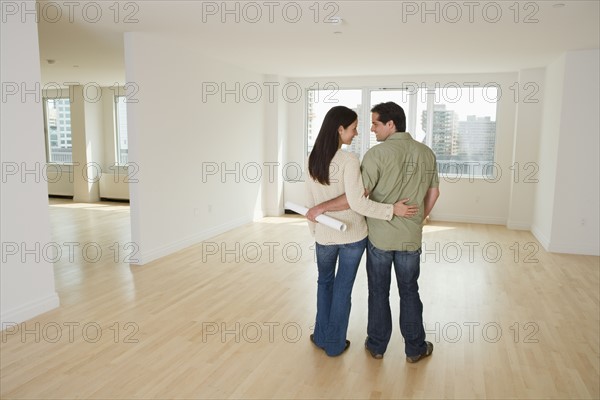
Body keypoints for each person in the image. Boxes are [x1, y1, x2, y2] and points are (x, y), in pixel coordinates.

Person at [309, 102, 440, 363]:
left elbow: (358, 197)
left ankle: (377, 345)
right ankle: (415, 348)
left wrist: (319, 209)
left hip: (379, 237)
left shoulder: (375, 155)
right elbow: (434, 192)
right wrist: (418, 221)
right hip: (408, 237)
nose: (371, 129)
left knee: (378, 291)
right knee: (409, 291)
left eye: (375, 123)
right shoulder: (427, 153)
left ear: (391, 124)